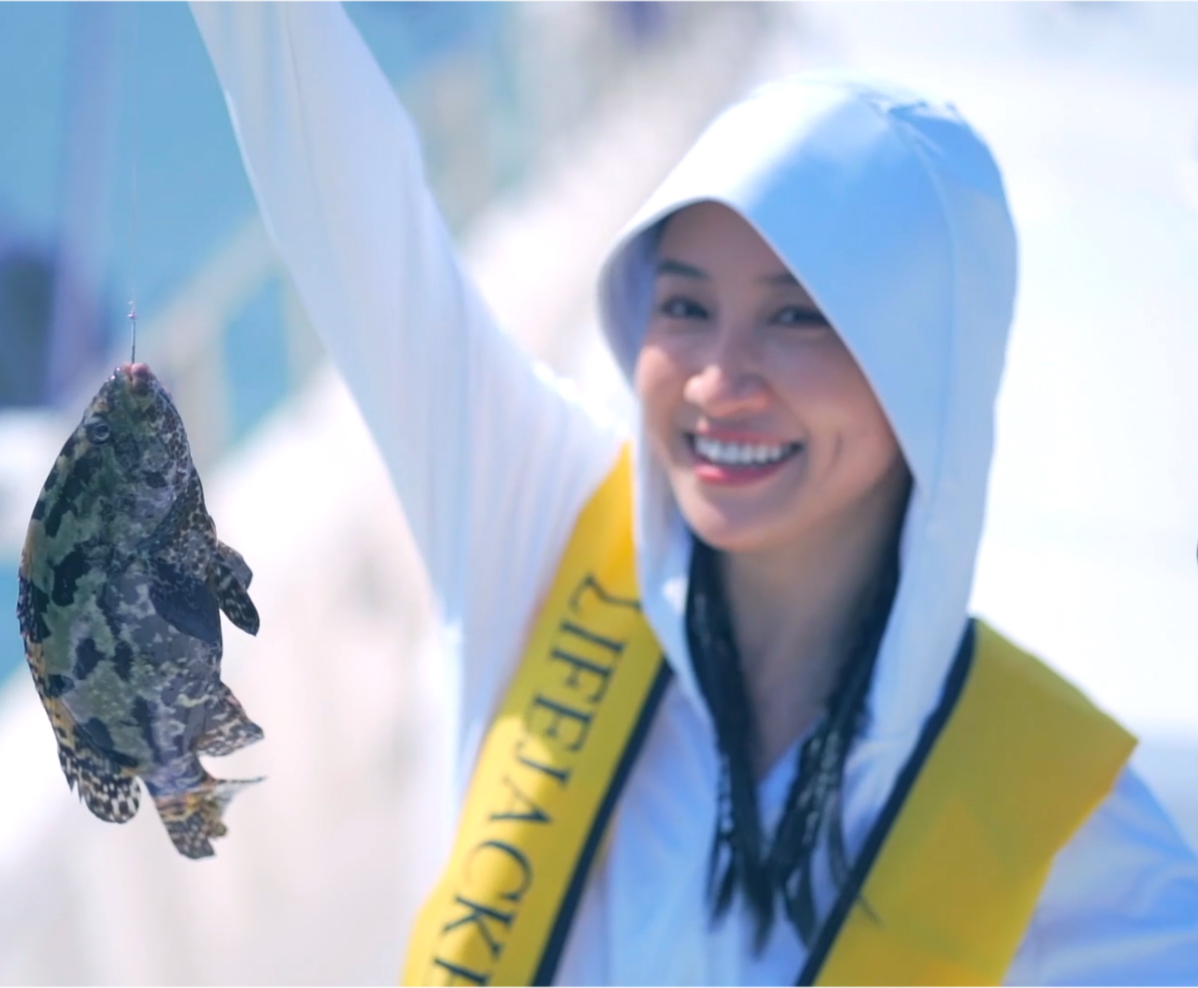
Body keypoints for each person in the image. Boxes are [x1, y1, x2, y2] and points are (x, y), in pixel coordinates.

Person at [190, 4, 1198, 984]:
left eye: (798, 315)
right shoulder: (539, 522)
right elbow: (332, 171)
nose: (718, 377)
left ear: (923, 366)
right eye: (683, 305)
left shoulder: (1067, 822)